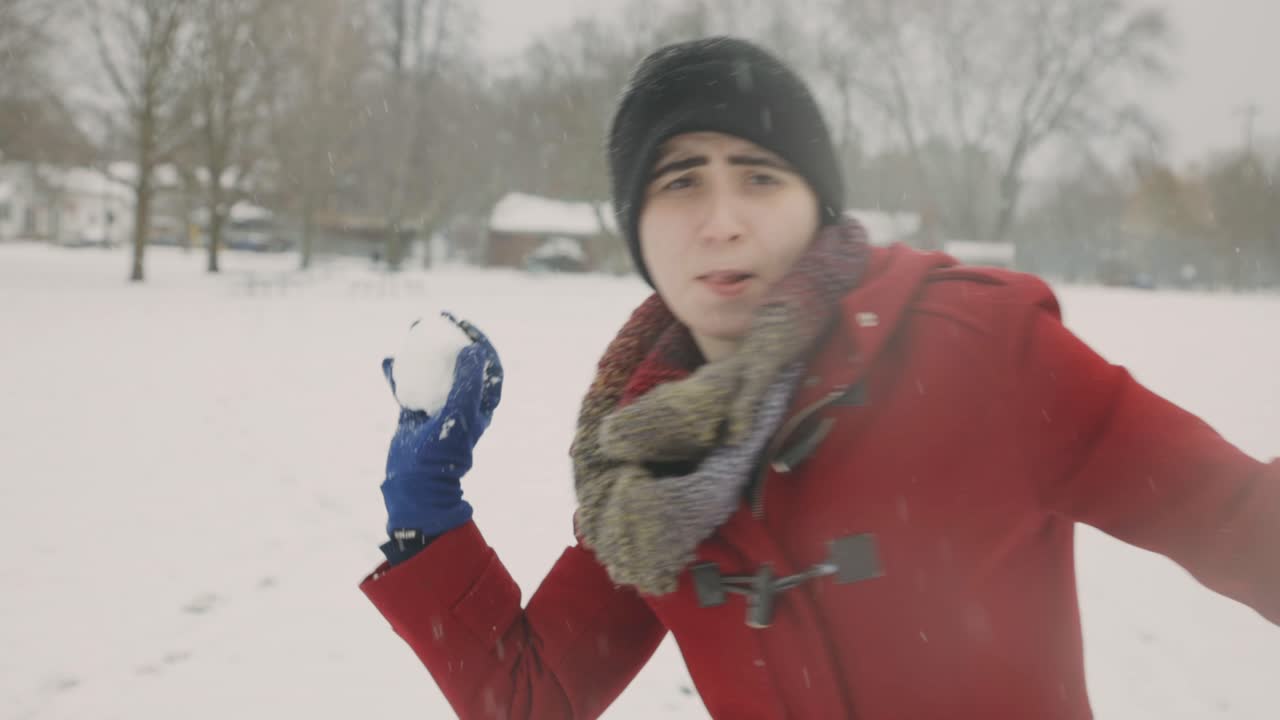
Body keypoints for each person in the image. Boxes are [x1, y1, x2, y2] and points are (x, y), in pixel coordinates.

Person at [360, 37, 1279, 719]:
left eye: (760, 176)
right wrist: (424, 513)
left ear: (816, 204)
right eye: (679, 181)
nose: (722, 220)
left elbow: (1243, 523)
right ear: (636, 228)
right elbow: (535, 698)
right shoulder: (646, 469)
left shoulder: (983, 350)